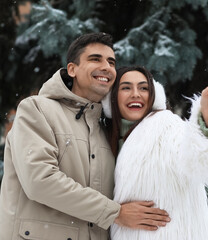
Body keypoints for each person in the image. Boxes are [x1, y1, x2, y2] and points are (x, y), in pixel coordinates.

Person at [0, 33, 170, 240]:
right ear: (72, 69)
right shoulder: (37, 109)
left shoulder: (106, 129)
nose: (107, 67)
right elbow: (39, 180)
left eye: (111, 62)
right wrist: (114, 213)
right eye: (95, 59)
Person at [102, 66, 208, 239]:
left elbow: (202, 162)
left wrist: (207, 117)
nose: (136, 94)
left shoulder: (165, 125)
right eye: (126, 88)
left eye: (144, 88)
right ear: (113, 97)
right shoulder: (102, 137)